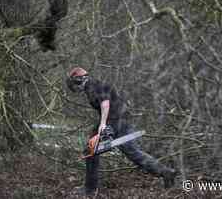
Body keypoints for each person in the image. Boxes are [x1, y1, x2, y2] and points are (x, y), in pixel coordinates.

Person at [66, 67, 177, 196]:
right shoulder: (91, 87)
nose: (75, 88)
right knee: (131, 152)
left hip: (116, 120)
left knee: (91, 150)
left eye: (74, 84)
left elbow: (105, 104)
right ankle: (166, 172)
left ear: (79, 79)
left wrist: (102, 125)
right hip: (118, 119)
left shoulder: (94, 85)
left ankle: (90, 190)